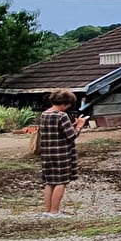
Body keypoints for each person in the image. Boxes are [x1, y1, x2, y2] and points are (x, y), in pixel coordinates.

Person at [37, 88, 89, 217]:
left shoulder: (44, 114)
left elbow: (57, 130)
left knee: (49, 182)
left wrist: (72, 124)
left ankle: (48, 211)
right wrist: (79, 125)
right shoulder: (62, 115)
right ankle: (55, 212)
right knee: (61, 182)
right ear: (66, 103)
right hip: (61, 153)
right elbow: (71, 136)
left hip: (47, 153)